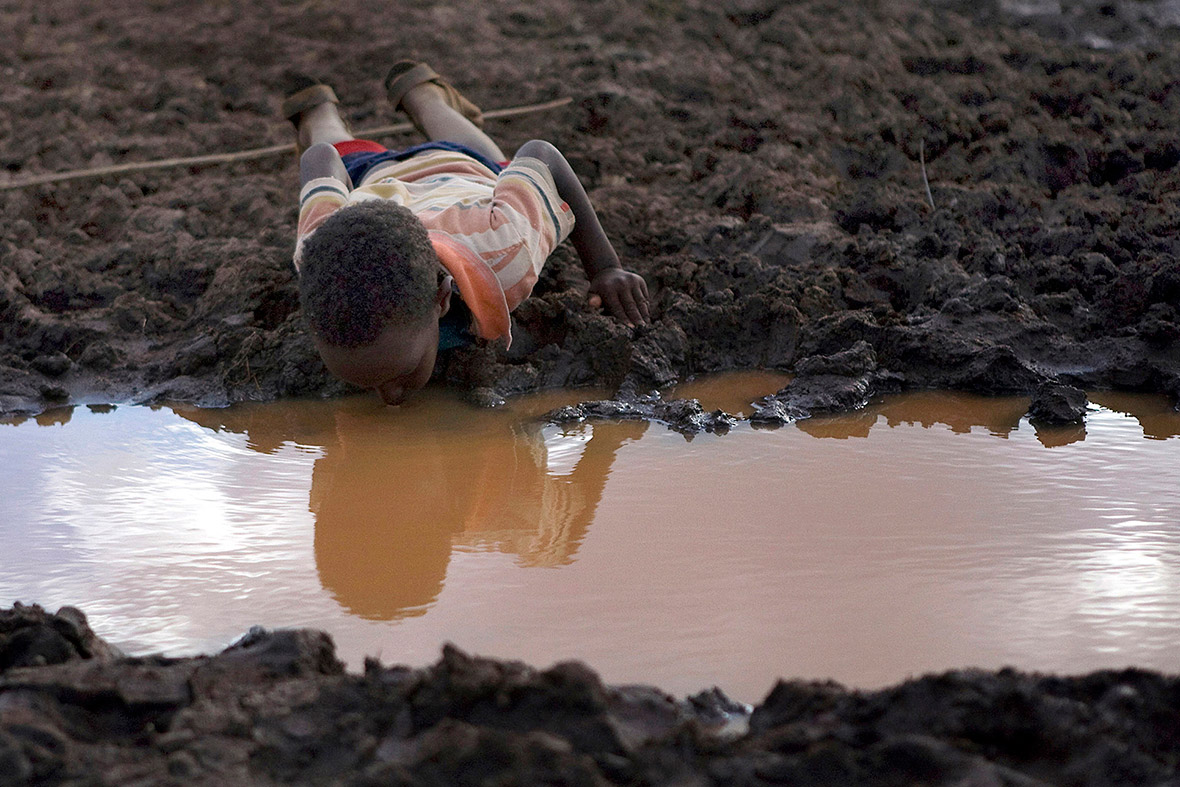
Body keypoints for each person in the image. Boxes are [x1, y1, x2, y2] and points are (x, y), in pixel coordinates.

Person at [283, 61, 650, 406]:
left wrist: (604, 268)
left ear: (442, 298)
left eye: (401, 373)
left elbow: (543, 155)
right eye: (363, 381)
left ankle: (418, 98)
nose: (390, 397)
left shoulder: (504, 250)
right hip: (378, 181)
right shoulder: (317, 253)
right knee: (337, 145)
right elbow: (318, 157)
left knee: (490, 162)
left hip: (461, 170)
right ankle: (330, 110)